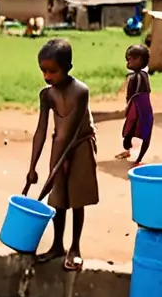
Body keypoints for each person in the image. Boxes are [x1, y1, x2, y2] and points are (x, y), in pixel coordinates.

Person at [26, 38, 99, 271]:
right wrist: (32, 167)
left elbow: (72, 130)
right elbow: (41, 130)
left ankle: (75, 247)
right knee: (58, 199)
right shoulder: (46, 95)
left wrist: (64, 159)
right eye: (43, 71)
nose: (47, 76)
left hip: (80, 145)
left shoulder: (80, 91)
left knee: (76, 199)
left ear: (68, 67)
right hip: (60, 145)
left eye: (53, 71)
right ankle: (57, 245)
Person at [115, 44, 154, 165]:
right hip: (135, 108)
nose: (128, 61)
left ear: (140, 60)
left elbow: (138, 95)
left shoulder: (140, 76)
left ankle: (138, 159)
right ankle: (128, 151)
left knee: (141, 132)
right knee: (129, 131)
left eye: (130, 59)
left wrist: (131, 107)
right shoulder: (135, 76)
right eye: (127, 58)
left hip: (141, 109)